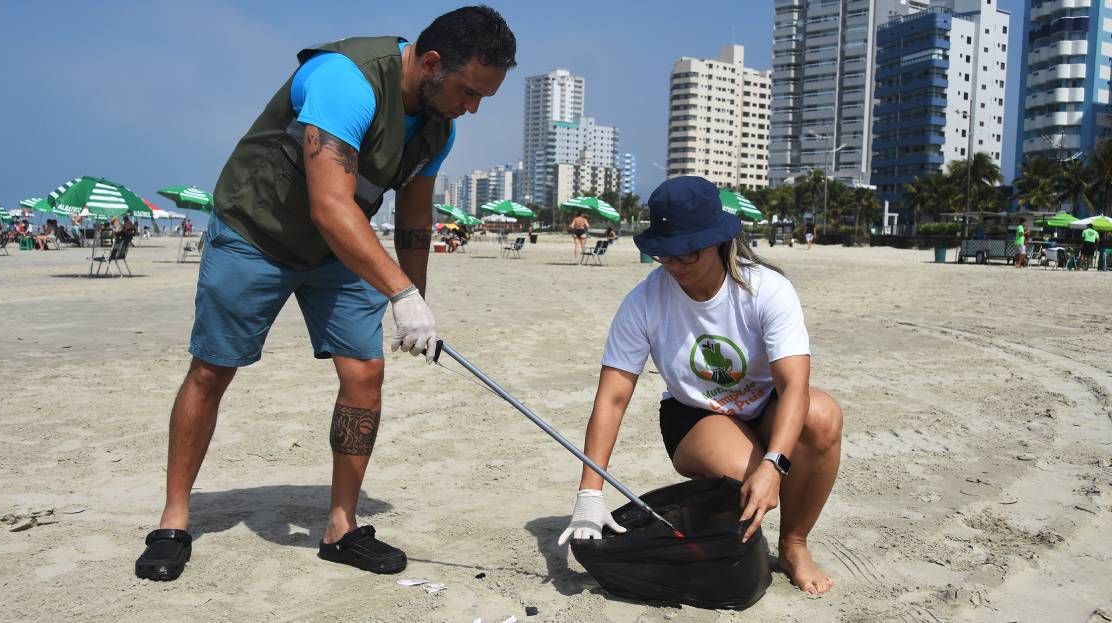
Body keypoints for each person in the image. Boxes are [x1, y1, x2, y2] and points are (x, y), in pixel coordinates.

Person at [134, 6, 516, 582]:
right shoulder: (347, 79)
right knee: (213, 370)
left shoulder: (441, 126)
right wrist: (399, 291)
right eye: (469, 91)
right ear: (432, 63)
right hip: (256, 233)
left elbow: (415, 218)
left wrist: (417, 303)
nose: (473, 107)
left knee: (365, 373)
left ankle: (341, 526)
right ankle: (173, 519)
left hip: (339, 253)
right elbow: (329, 205)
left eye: (484, 96)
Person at [557, 177, 842, 596]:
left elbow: (795, 386)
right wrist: (589, 490)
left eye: (688, 250)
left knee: (822, 416)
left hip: (766, 404)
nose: (674, 263)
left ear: (719, 240)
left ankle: (794, 543)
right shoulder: (643, 302)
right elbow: (613, 398)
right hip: (696, 413)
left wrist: (775, 463)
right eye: (664, 252)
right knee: (742, 478)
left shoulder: (766, 289)